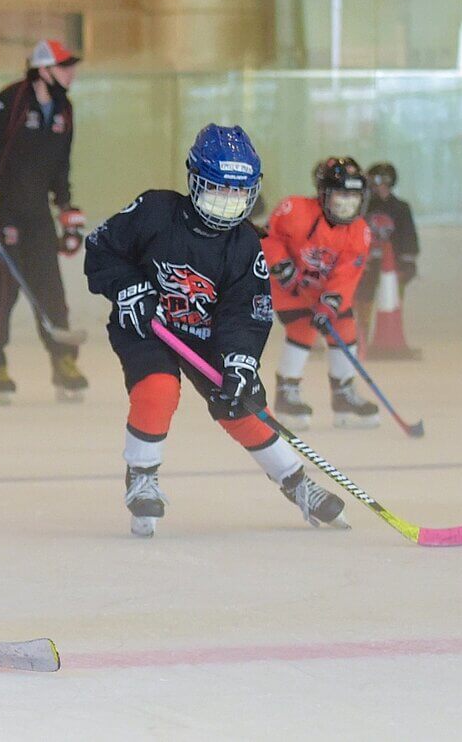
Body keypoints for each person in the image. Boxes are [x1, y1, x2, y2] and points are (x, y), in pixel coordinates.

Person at [84, 124, 346, 537]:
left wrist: (240, 362)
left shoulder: (244, 247)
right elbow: (102, 249)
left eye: (238, 195)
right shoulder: (155, 211)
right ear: (194, 180)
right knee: (158, 388)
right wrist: (126, 287)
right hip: (147, 321)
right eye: (217, 191)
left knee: (240, 405)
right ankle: (142, 476)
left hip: (206, 334)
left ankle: (297, 483)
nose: (227, 206)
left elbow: (245, 313)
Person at [0, 39, 87, 404]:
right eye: (65, 66)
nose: (71, 73)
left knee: (51, 290)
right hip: (1, 214)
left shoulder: (65, 110)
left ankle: (64, 361)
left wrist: (66, 209)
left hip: (37, 216)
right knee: (4, 291)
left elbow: (60, 167)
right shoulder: (10, 101)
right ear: (44, 70)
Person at [262, 156, 378, 430]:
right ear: (323, 194)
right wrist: (280, 265)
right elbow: (268, 237)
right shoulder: (295, 209)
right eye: (340, 195)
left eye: (353, 196)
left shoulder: (359, 232)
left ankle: (343, 394)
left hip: (323, 290)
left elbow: (347, 274)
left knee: (346, 328)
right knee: (302, 328)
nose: (347, 203)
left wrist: (330, 303)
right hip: (289, 288)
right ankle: (287, 393)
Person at [354, 161, 419, 335]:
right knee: (363, 293)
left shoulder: (400, 208)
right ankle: (361, 330)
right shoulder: (364, 206)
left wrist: (406, 264)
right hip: (369, 262)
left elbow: (408, 238)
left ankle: (390, 332)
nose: (376, 186)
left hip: (392, 264)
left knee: (392, 297)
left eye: (379, 180)